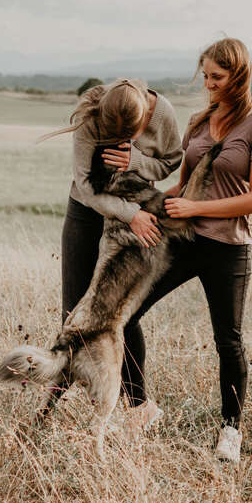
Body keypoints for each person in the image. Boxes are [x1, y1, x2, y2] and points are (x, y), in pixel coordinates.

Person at [128, 37, 252, 462]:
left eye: (217, 77)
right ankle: (140, 407)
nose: (209, 85)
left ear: (239, 76)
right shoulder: (198, 122)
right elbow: (182, 185)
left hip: (229, 247)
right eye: (206, 77)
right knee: (128, 313)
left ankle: (231, 431)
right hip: (185, 240)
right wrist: (140, 207)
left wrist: (196, 208)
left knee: (228, 341)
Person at [44, 78, 183, 431]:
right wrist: (129, 214)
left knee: (119, 311)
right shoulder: (91, 117)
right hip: (89, 212)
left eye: (131, 136)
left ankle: (138, 407)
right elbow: (86, 186)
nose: (124, 140)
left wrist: (137, 161)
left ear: (144, 117)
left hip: (137, 214)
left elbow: (171, 161)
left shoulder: (162, 112)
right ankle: (51, 409)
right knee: (76, 310)